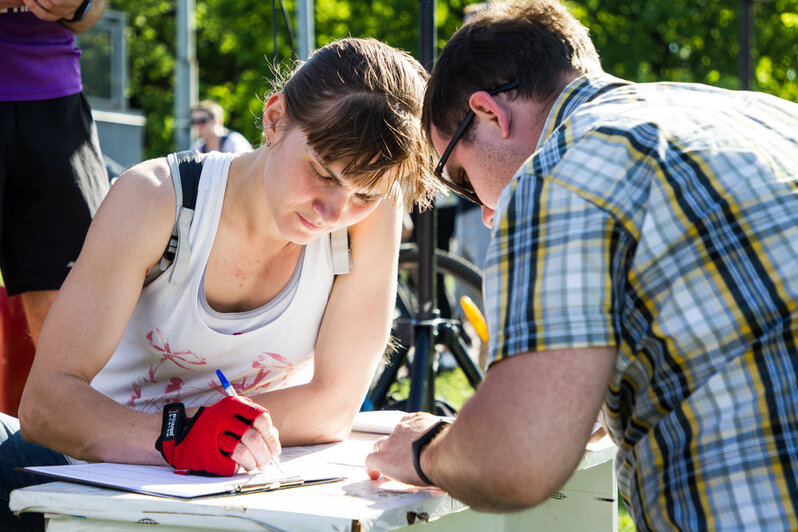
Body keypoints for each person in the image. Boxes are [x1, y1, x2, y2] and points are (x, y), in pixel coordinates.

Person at [365, 1, 798, 530]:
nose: (480, 210)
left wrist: (424, 450)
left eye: (459, 174)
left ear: (490, 114)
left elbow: (514, 461)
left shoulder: (559, 169)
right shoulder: (764, 113)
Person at [0, 37, 440, 530]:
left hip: (236, 486)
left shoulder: (369, 218)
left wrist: (212, 440)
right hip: (84, 474)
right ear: (274, 119)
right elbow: (46, 403)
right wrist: (178, 437)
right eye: (322, 173)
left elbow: (334, 407)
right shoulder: (157, 199)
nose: (334, 212)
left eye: (365, 193)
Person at [0, 0, 110, 347]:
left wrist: (78, 4)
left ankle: (60, 403)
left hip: (58, 97)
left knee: (74, 302)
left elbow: (93, 10)